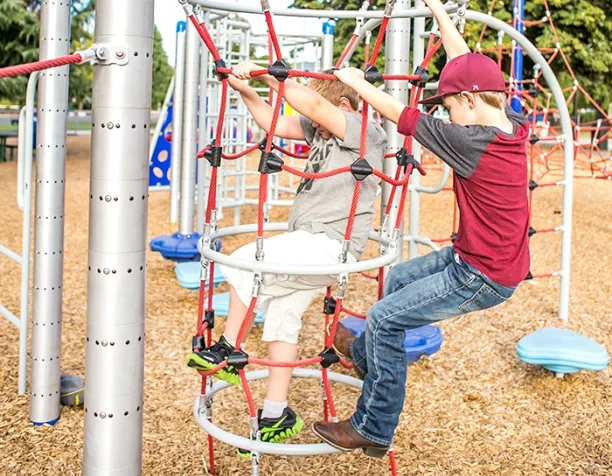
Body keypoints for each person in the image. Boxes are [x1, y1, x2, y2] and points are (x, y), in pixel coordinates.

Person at [312, 0, 530, 457]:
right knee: (398, 280)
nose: (447, 116)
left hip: (481, 276)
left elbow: (402, 116)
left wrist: (353, 82)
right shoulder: (509, 122)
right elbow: (466, 63)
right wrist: (440, 13)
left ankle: (373, 428)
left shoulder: (468, 140)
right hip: (473, 256)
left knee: (384, 318)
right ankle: (369, 358)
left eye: (450, 107)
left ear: (469, 102)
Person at [186, 61, 387, 446]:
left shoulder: (363, 131)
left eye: (325, 119)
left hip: (330, 247)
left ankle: (229, 349)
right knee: (281, 316)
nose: (317, 129)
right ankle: (277, 414)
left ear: (344, 104)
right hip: (309, 246)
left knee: (249, 261)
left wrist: (266, 72)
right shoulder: (326, 132)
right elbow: (276, 123)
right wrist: (247, 90)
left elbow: (311, 106)